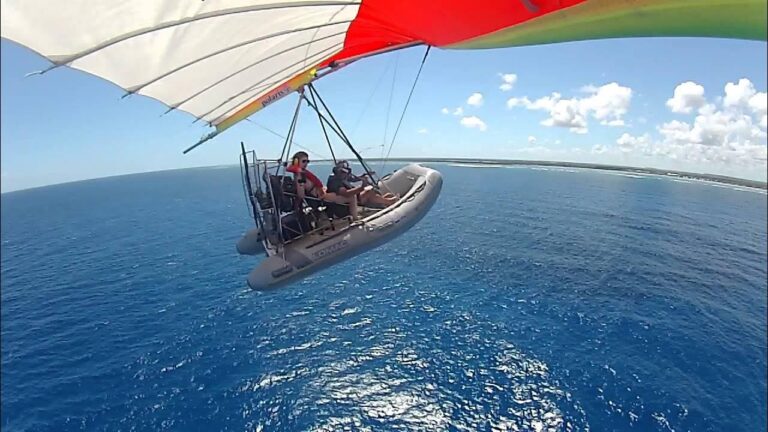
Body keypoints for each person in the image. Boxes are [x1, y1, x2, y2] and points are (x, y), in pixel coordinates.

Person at [286, 151, 360, 219]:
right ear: (296, 161)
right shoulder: (299, 175)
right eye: (304, 161)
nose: (306, 163)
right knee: (351, 197)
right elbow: (301, 194)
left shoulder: (302, 173)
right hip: (321, 197)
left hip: (322, 193)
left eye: (307, 161)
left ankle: (347, 214)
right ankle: (355, 218)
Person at [327, 160, 398, 210]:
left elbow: (354, 178)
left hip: (357, 196)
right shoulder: (335, 181)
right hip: (351, 201)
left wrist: (365, 175)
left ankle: (385, 202)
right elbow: (346, 193)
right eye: (343, 172)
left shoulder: (342, 176)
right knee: (369, 192)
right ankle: (389, 202)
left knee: (383, 194)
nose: (345, 174)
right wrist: (361, 187)